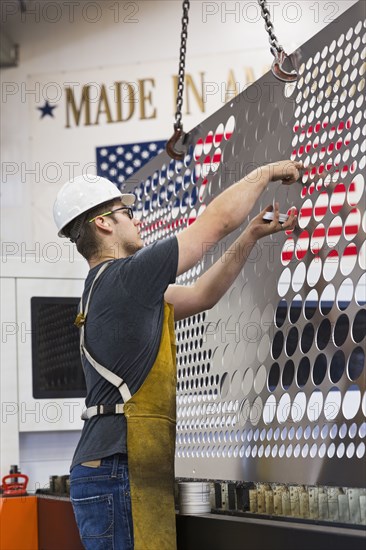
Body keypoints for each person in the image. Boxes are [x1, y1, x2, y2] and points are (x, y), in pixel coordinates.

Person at [53, 159, 302, 550]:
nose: (136, 221)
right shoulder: (127, 275)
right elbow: (215, 224)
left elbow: (202, 295)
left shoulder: (110, 289)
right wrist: (267, 172)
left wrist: (250, 237)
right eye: (127, 213)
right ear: (103, 223)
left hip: (111, 467)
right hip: (118, 469)